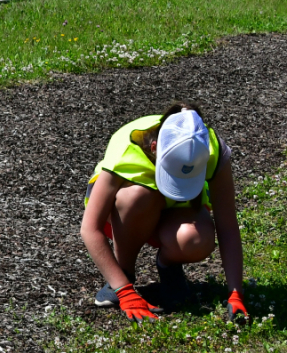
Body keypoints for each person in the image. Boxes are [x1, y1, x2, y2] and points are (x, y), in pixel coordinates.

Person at [81, 103, 247, 323]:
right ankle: (123, 274)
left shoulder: (210, 149)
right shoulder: (126, 149)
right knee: (136, 197)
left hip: (175, 211)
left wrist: (235, 293)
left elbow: (227, 225)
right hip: (129, 212)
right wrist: (125, 292)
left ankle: (169, 266)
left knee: (195, 239)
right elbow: (89, 229)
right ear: (154, 147)